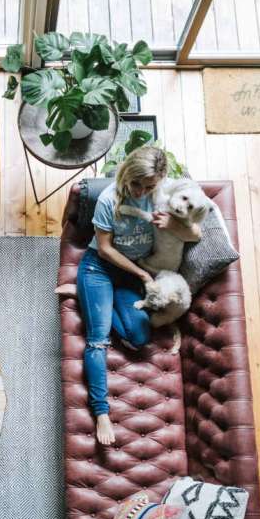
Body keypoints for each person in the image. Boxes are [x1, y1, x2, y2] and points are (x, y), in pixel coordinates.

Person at [76, 146, 171, 446]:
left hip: (129, 274)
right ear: (127, 175)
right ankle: (101, 412)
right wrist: (143, 275)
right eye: (136, 184)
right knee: (97, 340)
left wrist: (169, 224)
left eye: (149, 186)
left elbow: (187, 227)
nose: (141, 191)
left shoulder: (163, 196)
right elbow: (105, 249)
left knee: (139, 338)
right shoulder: (108, 200)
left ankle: (86, 299)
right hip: (99, 267)